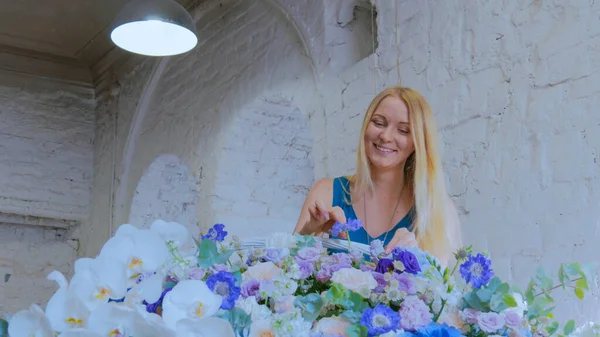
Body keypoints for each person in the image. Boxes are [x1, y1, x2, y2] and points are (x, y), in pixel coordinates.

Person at [293, 86, 462, 266]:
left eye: (403, 130)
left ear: (417, 143)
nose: (386, 136)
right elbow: (281, 273)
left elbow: (438, 290)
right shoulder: (326, 192)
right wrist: (309, 232)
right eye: (379, 123)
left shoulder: (435, 209)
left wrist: (417, 255)